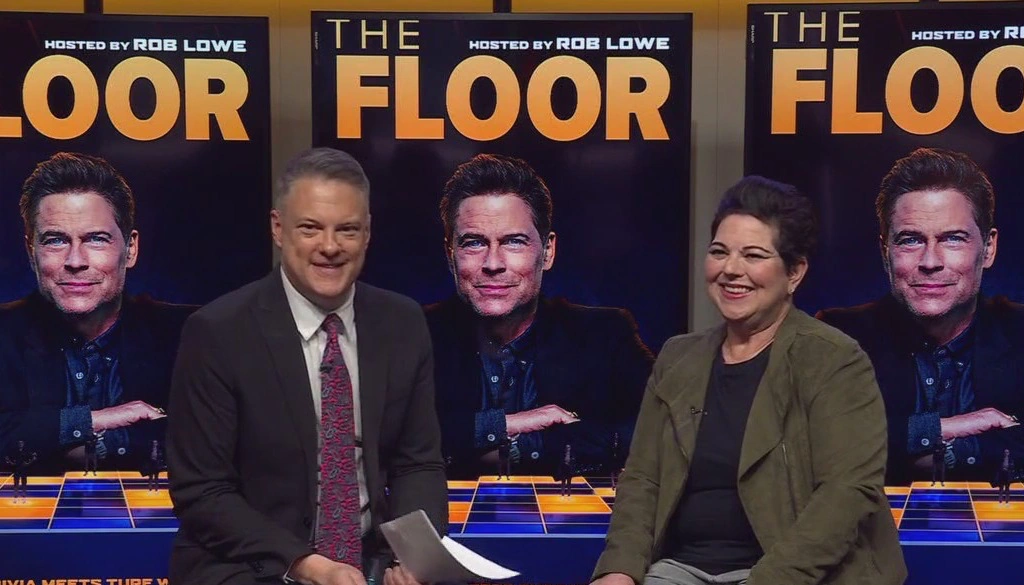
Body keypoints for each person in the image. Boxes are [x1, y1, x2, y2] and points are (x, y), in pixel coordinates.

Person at [592, 177, 906, 585]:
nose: (731, 270)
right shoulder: (677, 358)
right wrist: (618, 571)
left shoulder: (835, 360)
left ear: (794, 272)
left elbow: (846, 494)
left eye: (753, 255)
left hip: (790, 575)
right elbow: (642, 481)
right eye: (719, 252)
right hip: (680, 568)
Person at [166, 147, 447, 585]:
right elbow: (202, 492)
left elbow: (419, 464)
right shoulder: (217, 333)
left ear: (367, 233)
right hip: (250, 564)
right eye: (310, 228)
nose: (330, 247)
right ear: (278, 228)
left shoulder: (403, 322)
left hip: (370, 561)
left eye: (347, 230)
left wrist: (410, 560)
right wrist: (310, 566)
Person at [818, 148, 1024, 486]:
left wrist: (950, 452)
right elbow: (813, 442)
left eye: (952, 239)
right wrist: (940, 428)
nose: (930, 261)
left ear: (988, 249)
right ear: (885, 252)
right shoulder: (838, 337)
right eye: (910, 240)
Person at [425, 153, 655, 480]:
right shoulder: (415, 334)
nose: (493, 263)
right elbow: (385, 436)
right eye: (474, 243)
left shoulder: (605, 334)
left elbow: (659, 429)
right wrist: (504, 424)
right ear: (451, 255)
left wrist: (526, 446)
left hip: (570, 512)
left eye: (513, 242)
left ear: (547, 252)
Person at [0, 152, 195, 474]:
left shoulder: (191, 333)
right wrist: (92, 421)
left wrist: (84, 445)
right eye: (55, 240)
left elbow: (221, 441)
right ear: (31, 252)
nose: (75, 261)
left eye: (96, 239)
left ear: (130, 249)